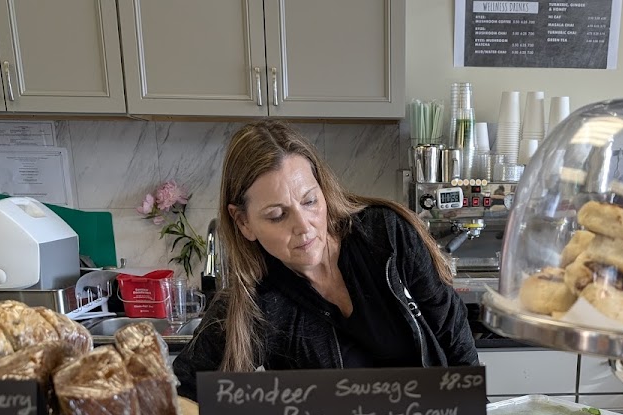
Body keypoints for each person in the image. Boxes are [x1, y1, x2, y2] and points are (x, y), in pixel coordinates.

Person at [173, 121, 478, 400]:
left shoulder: (386, 235)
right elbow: (189, 390)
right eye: (277, 215)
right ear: (243, 222)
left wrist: (474, 411)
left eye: (309, 201)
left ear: (323, 189)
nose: (304, 226)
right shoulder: (256, 301)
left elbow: (450, 327)